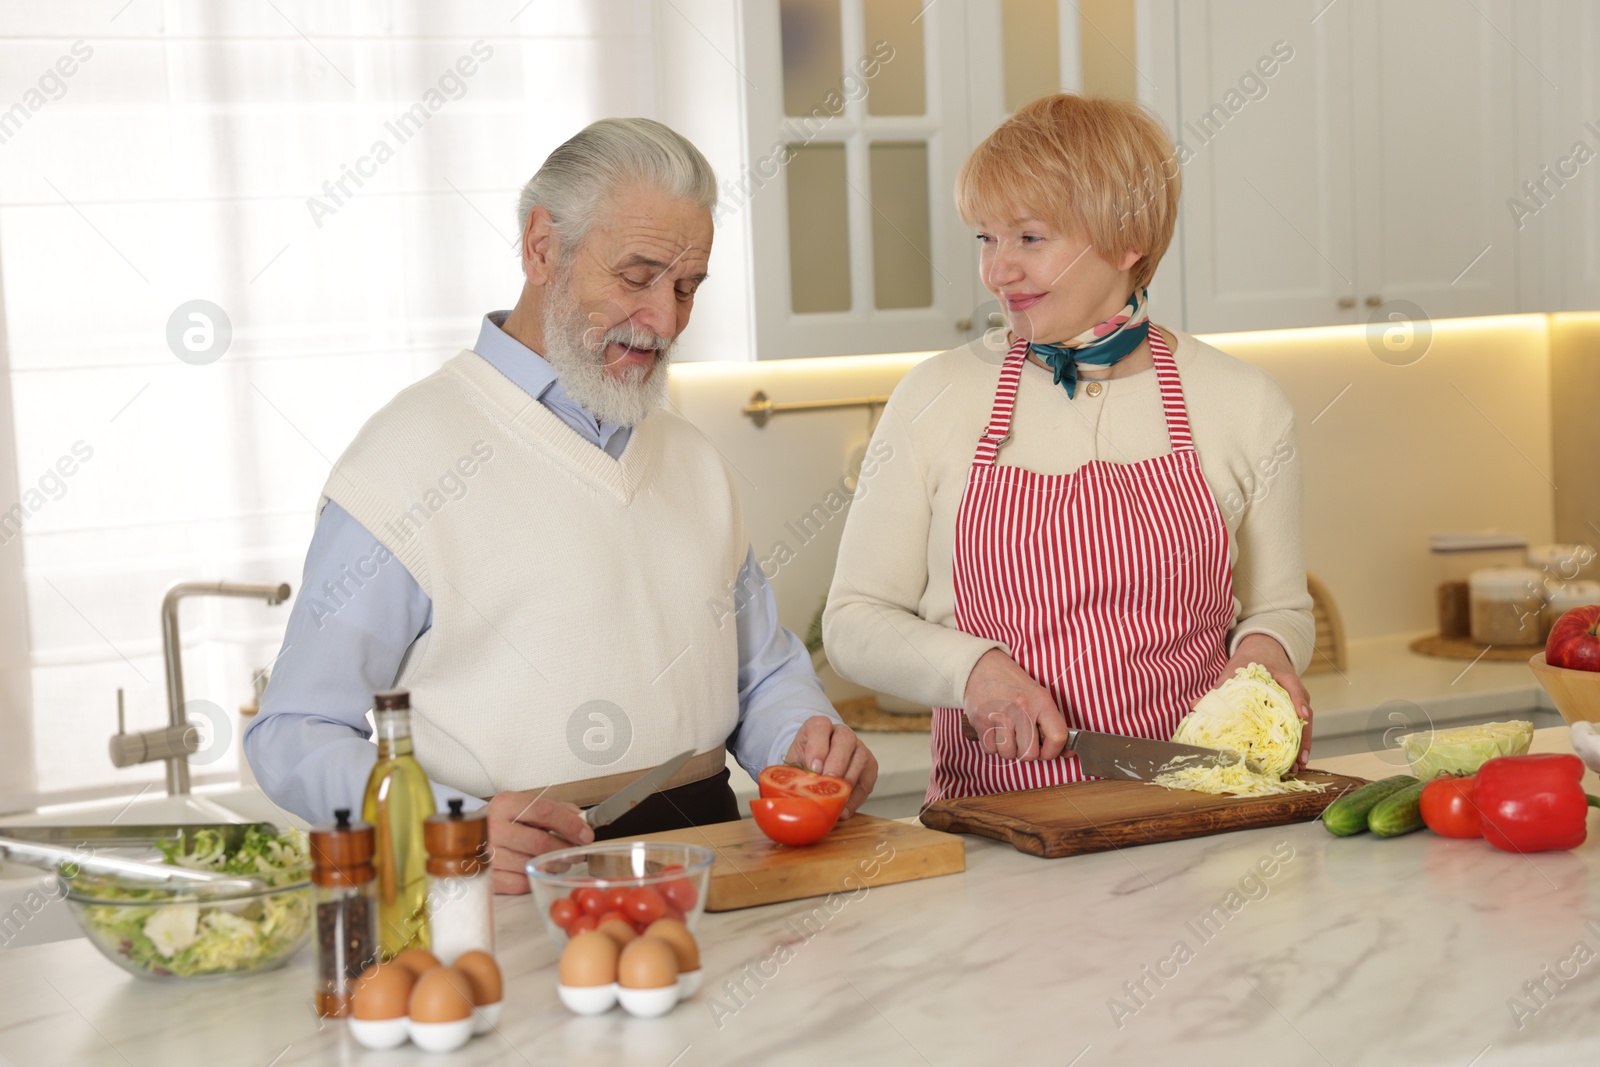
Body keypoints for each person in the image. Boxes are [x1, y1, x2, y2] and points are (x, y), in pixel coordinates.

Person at [247, 118, 877, 891]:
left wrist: (809, 740)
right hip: (508, 883)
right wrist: (450, 824)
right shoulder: (404, 464)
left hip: (717, 867)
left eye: (686, 288)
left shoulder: (693, 460)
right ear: (542, 247)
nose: (668, 320)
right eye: (638, 276)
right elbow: (295, 731)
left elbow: (759, 676)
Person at [823, 94, 1312, 803]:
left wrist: (1265, 656)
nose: (997, 272)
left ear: (1127, 240)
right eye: (986, 239)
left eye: (1028, 237)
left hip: (1195, 819)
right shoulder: (936, 396)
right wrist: (974, 669)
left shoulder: (1245, 402)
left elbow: (1280, 607)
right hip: (1000, 836)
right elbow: (853, 621)